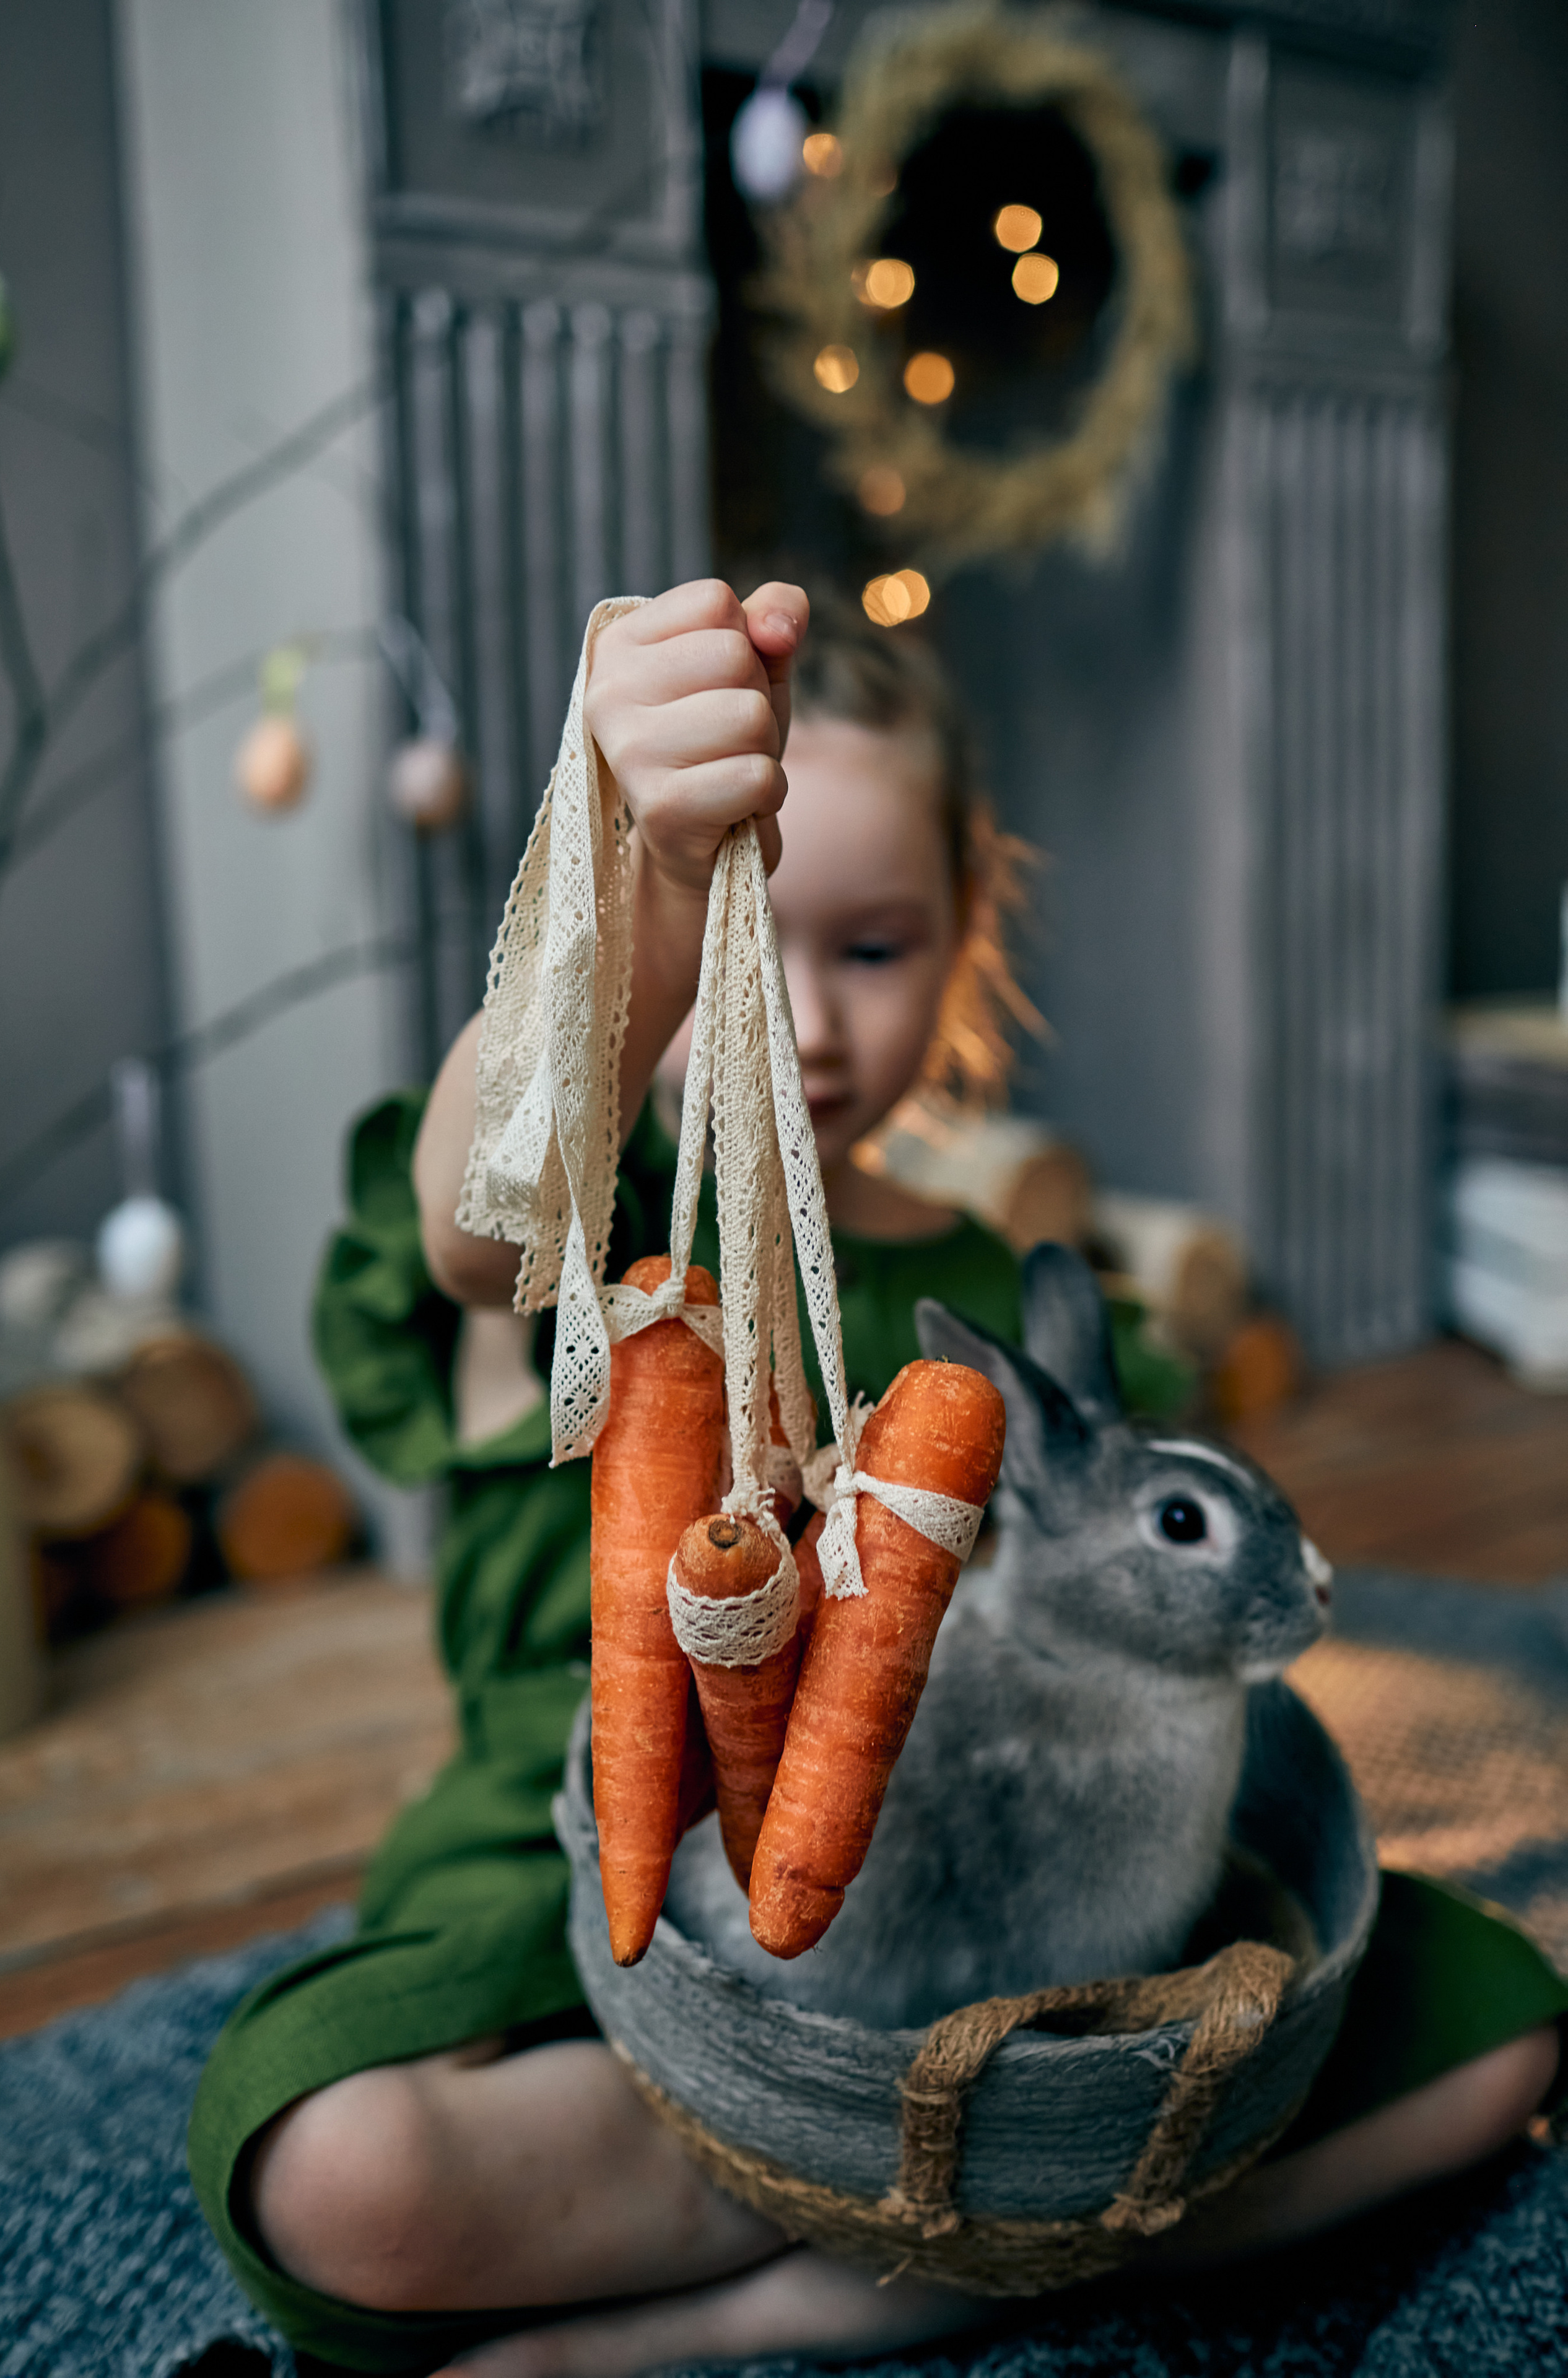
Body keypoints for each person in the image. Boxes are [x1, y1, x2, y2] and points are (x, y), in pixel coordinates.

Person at [190, 580, 1565, 2378]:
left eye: (874, 946)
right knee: (332, 2165)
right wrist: (644, 895)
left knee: (1503, 2041)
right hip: (586, 1851)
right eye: (758, 942)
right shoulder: (596, 1224)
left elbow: (1144, 1588)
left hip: (968, 1910)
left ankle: (834, 2256)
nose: (814, 1027)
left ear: (968, 938)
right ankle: (918, 2215)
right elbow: (480, 1215)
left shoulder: (1007, 1300)